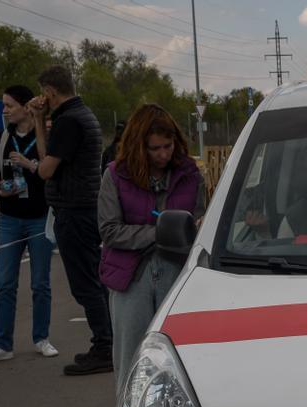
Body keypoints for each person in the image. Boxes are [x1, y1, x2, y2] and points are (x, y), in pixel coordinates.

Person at [98, 104, 205, 384]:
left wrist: (199, 226)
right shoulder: (114, 175)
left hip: (176, 273)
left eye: (168, 146)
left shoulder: (190, 174)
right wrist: (160, 233)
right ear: (138, 146)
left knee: (180, 359)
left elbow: (201, 216)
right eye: (154, 148)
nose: (163, 154)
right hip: (130, 278)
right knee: (130, 359)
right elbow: (109, 231)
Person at [28, 65, 113, 376]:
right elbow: (47, 153)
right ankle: (108, 342)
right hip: (83, 208)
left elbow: (45, 168)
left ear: (50, 91)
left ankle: (104, 346)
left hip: (75, 211)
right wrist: (38, 120)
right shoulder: (81, 115)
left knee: (86, 284)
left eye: (44, 94)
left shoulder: (69, 121)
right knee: (93, 281)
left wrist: (41, 127)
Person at [0, 85, 57, 365]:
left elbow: (51, 173)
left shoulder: (42, 136)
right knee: (5, 284)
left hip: (38, 217)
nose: (5, 110)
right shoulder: (1, 139)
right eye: (4, 105)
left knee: (40, 283)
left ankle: (41, 338)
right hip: (9, 218)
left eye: (9, 105)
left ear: (25, 107)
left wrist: (29, 165)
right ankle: (2, 344)